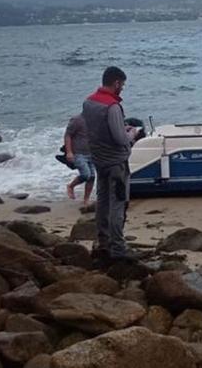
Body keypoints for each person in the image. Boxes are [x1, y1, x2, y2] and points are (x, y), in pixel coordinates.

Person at [82, 66, 138, 263]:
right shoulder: (112, 106)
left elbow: (94, 129)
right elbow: (120, 137)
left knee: (103, 201)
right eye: (122, 84)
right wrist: (131, 134)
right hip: (116, 162)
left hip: (99, 159)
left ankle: (103, 241)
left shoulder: (88, 102)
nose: (122, 88)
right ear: (116, 83)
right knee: (118, 204)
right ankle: (118, 248)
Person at [64, 114, 95, 209]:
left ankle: (86, 200)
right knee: (86, 174)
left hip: (92, 152)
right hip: (78, 153)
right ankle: (71, 186)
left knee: (92, 177)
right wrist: (69, 152)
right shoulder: (77, 119)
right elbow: (67, 135)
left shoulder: (97, 119)